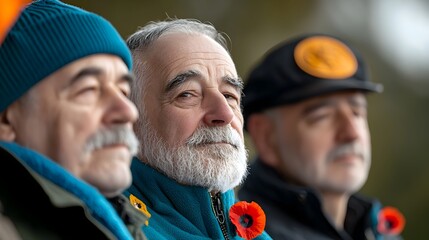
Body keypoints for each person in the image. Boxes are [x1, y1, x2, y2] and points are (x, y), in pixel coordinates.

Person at [0, 0, 148, 239]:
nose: (128, 112)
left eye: (123, 91)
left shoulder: (125, 224)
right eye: (88, 90)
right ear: (6, 120)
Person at [237, 33, 405, 239]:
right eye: (322, 117)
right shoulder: (237, 233)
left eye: (357, 112)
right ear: (266, 137)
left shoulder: (379, 231)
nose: (351, 133)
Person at [123, 18, 272, 240]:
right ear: (128, 117)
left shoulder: (258, 235)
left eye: (230, 96)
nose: (225, 114)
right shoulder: (108, 226)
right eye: (187, 94)